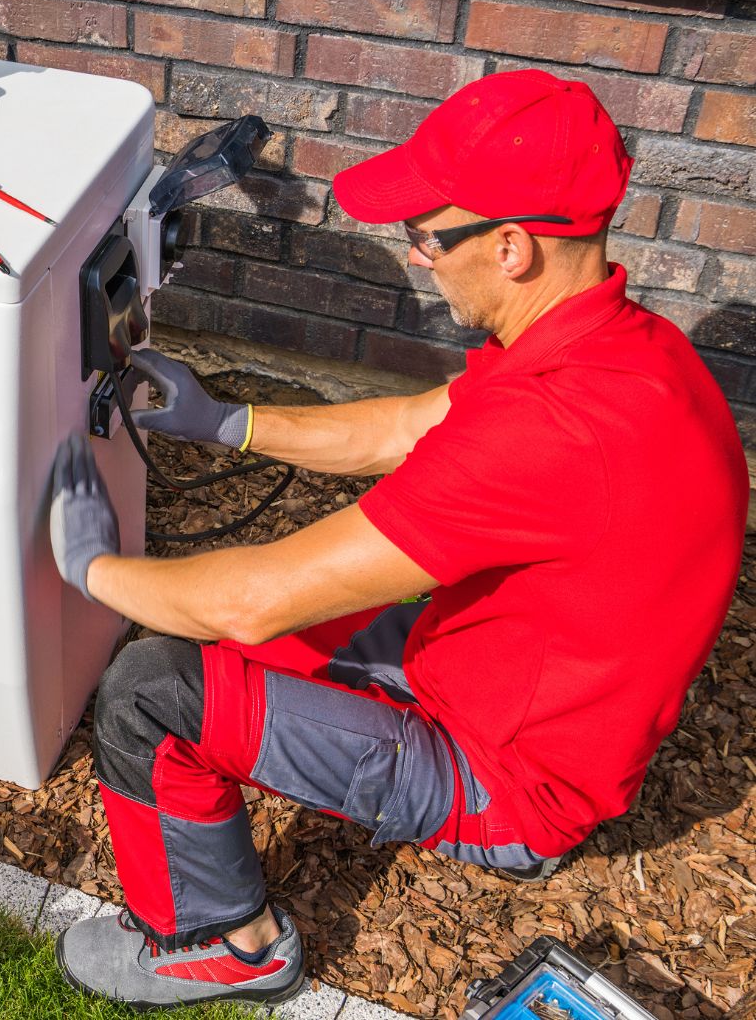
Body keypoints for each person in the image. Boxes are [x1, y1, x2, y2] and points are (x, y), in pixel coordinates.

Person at [47, 69, 749, 1010]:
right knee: (216, 638)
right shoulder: (621, 349)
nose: (416, 257)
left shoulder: (553, 431)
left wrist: (91, 567)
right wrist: (229, 423)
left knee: (149, 690)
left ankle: (222, 944)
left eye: (426, 235)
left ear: (510, 248)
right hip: (521, 688)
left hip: (508, 777)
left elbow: (248, 603)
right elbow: (407, 426)